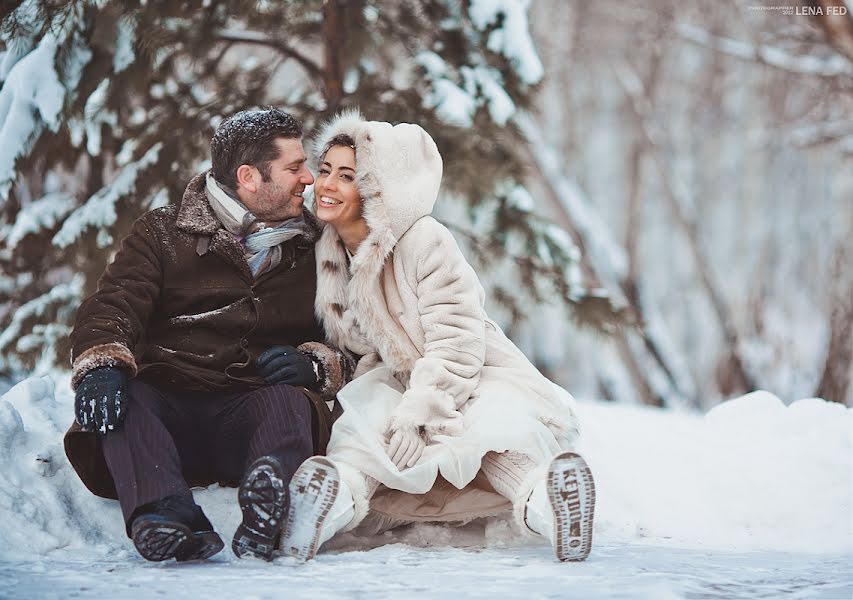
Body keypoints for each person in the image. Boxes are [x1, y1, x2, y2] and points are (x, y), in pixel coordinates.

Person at [278, 111, 596, 563]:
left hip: (466, 370)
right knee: (363, 430)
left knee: (492, 430)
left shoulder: (426, 241)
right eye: (325, 170)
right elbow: (349, 351)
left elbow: (458, 340)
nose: (326, 184)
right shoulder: (325, 250)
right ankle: (322, 508)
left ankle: (552, 506)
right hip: (391, 377)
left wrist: (421, 411)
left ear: (377, 188)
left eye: (347, 176)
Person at [63, 108, 352, 563]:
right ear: (249, 177)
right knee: (128, 399)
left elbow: (351, 335)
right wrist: (101, 365)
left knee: (291, 400)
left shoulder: (319, 245)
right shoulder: (162, 232)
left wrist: (316, 364)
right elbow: (114, 303)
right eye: (294, 167)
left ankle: (270, 499)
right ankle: (164, 513)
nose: (310, 178)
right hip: (165, 410)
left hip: (250, 414)